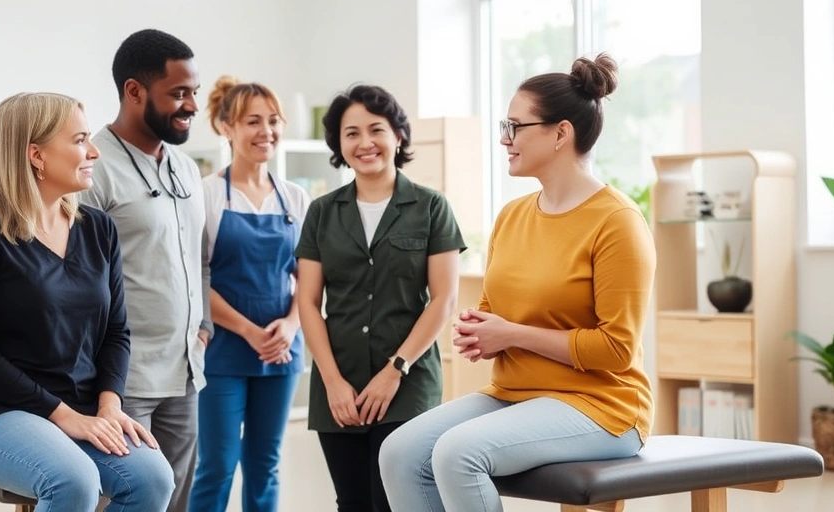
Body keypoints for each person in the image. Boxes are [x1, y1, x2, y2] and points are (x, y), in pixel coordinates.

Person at [378, 54, 656, 512]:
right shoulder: (512, 216)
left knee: (459, 453)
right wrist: (482, 330)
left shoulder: (617, 222)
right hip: (515, 393)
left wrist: (510, 334)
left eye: (515, 127)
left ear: (560, 133)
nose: (504, 139)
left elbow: (617, 348)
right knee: (400, 452)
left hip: (602, 407)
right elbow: (495, 305)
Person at [0, 92, 174, 512]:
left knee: (153, 479)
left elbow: (117, 331)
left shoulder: (98, 229)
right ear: (36, 155)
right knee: (73, 480)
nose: (94, 151)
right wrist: (64, 416)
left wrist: (108, 405)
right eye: (80, 139)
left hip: (83, 405)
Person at [294, 84, 465, 512]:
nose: (365, 143)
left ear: (398, 136)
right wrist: (332, 381)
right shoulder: (321, 212)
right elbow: (308, 302)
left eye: (376, 129)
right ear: (338, 144)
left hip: (408, 383)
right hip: (340, 382)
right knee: (352, 502)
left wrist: (395, 370)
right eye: (351, 133)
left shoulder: (431, 206)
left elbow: (443, 298)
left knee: (395, 501)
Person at [79, 29, 212, 512]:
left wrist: (204, 328)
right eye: (179, 93)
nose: (193, 105)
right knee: (124, 498)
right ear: (134, 91)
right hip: (123, 381)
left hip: (185, 371)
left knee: (176, 500)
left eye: (194, 91)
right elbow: (76, 283)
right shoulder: (92, 168)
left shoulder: (187, 167)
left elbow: (200, 256)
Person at [188, 76, 311, 512]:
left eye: (273, 121)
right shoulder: (205, 195)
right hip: (223, 350)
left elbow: (310, 279)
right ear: (226, 128)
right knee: (217, 464)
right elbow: (197, 280)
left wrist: (291, 324)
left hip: (279, 351)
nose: (266, 131)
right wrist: (247, 330)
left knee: (265, 463)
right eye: (252, 121)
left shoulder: (295, 198)